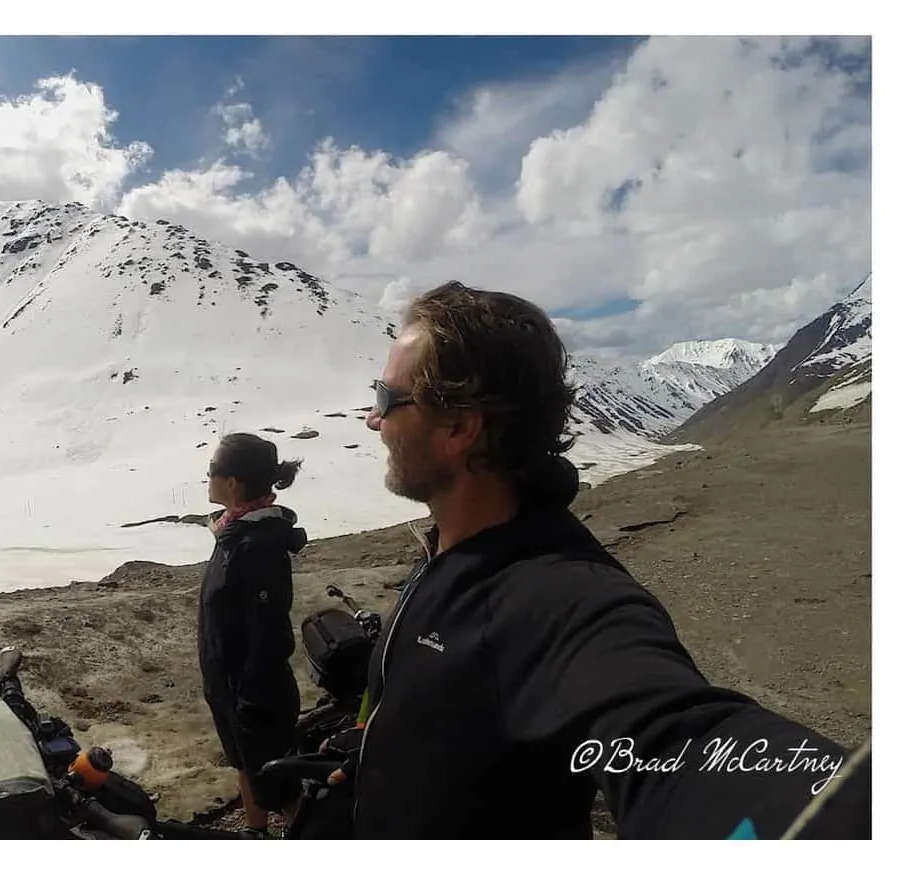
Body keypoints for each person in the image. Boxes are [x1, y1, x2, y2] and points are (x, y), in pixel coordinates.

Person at [323, 280, 870, 839]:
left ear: (461, 429)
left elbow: (676, 739)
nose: (372, 419)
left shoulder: (564, 600)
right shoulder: (448, 545)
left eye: (387, 399)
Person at [197, 432, 308, 837]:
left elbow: (267, 628)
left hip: (255, 692)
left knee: (277, 781)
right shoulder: (235, 532)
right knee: (245, 764)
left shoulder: (258, 543)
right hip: (230, 684)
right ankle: (256, 833)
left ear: (233, 483)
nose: (206, 477)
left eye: (212, 470)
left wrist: (251, 696)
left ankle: (311, 838)